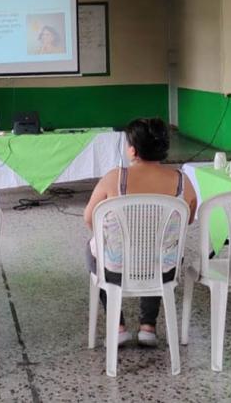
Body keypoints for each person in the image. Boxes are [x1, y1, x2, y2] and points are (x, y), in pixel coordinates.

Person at [83, 118, 197, 347]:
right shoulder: (182, 182)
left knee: (92, 249)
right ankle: (148, 327)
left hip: (115, 271)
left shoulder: (114, 178)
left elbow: (89, 218)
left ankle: (118, 327)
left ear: (133, 150)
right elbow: (188, 220)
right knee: (157, 251)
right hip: (163, 272)